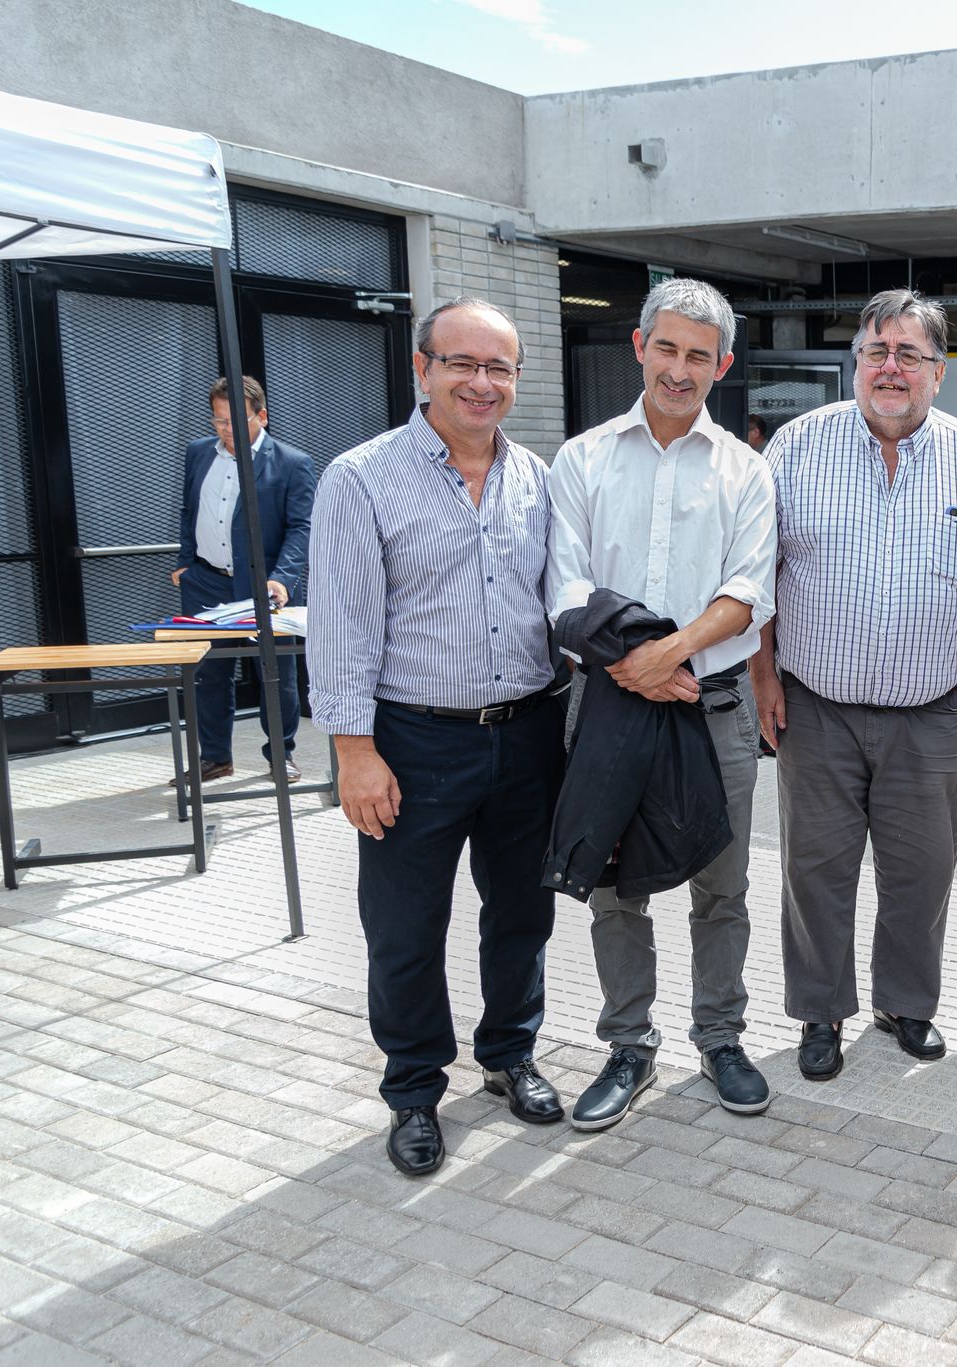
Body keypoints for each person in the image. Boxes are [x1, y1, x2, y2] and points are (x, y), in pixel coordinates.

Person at [309, 298, 567, 1177]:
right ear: (423, 369)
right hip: (412, 742)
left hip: (528, 734)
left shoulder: (536, 476)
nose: (482, 383)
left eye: (500, 368)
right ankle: (414, 1089)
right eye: (463, 364)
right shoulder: (361, 477)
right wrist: (354, 750)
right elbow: (341, 625)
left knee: (522, 914)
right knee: (406, 925)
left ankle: (508, 1054)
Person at [751, 290, 957, 1080]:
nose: (889, 367)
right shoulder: (797, 446)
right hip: (816, 707)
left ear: (939, 371)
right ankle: (819, 1012)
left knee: (923, 869)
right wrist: (763, 673)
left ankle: (906, 1002)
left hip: (934, 710)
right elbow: (756, 569)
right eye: (876, 352)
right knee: (816, 869)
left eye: (908, 354)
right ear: (856, 363)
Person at [546, 279, 777, 1127]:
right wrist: (627, 666)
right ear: (639, 347)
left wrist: (666, 654)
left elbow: (750, 588)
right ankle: (628, 1045)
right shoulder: (583, 459)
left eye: (699, 355)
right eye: (667, 348)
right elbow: (564, 584)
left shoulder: (747, 469)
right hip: (605, 705)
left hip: (712, 705)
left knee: (724, 885)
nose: (681, 369)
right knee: (614, 887)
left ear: (722, 364)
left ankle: (719, 1036)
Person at [171, 377, 315, 783]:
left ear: (262, 416)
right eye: (218, 421)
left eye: (235, 420)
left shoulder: (291, 463)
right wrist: (186, 563)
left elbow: (301, 528)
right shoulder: (198, 453)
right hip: (206, 583)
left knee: (276, 675)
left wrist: (283, 579)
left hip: (266, 589)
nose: (226, 430)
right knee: (207, 674)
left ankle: (280, 756)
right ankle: (215, 757)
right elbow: (189, 510)